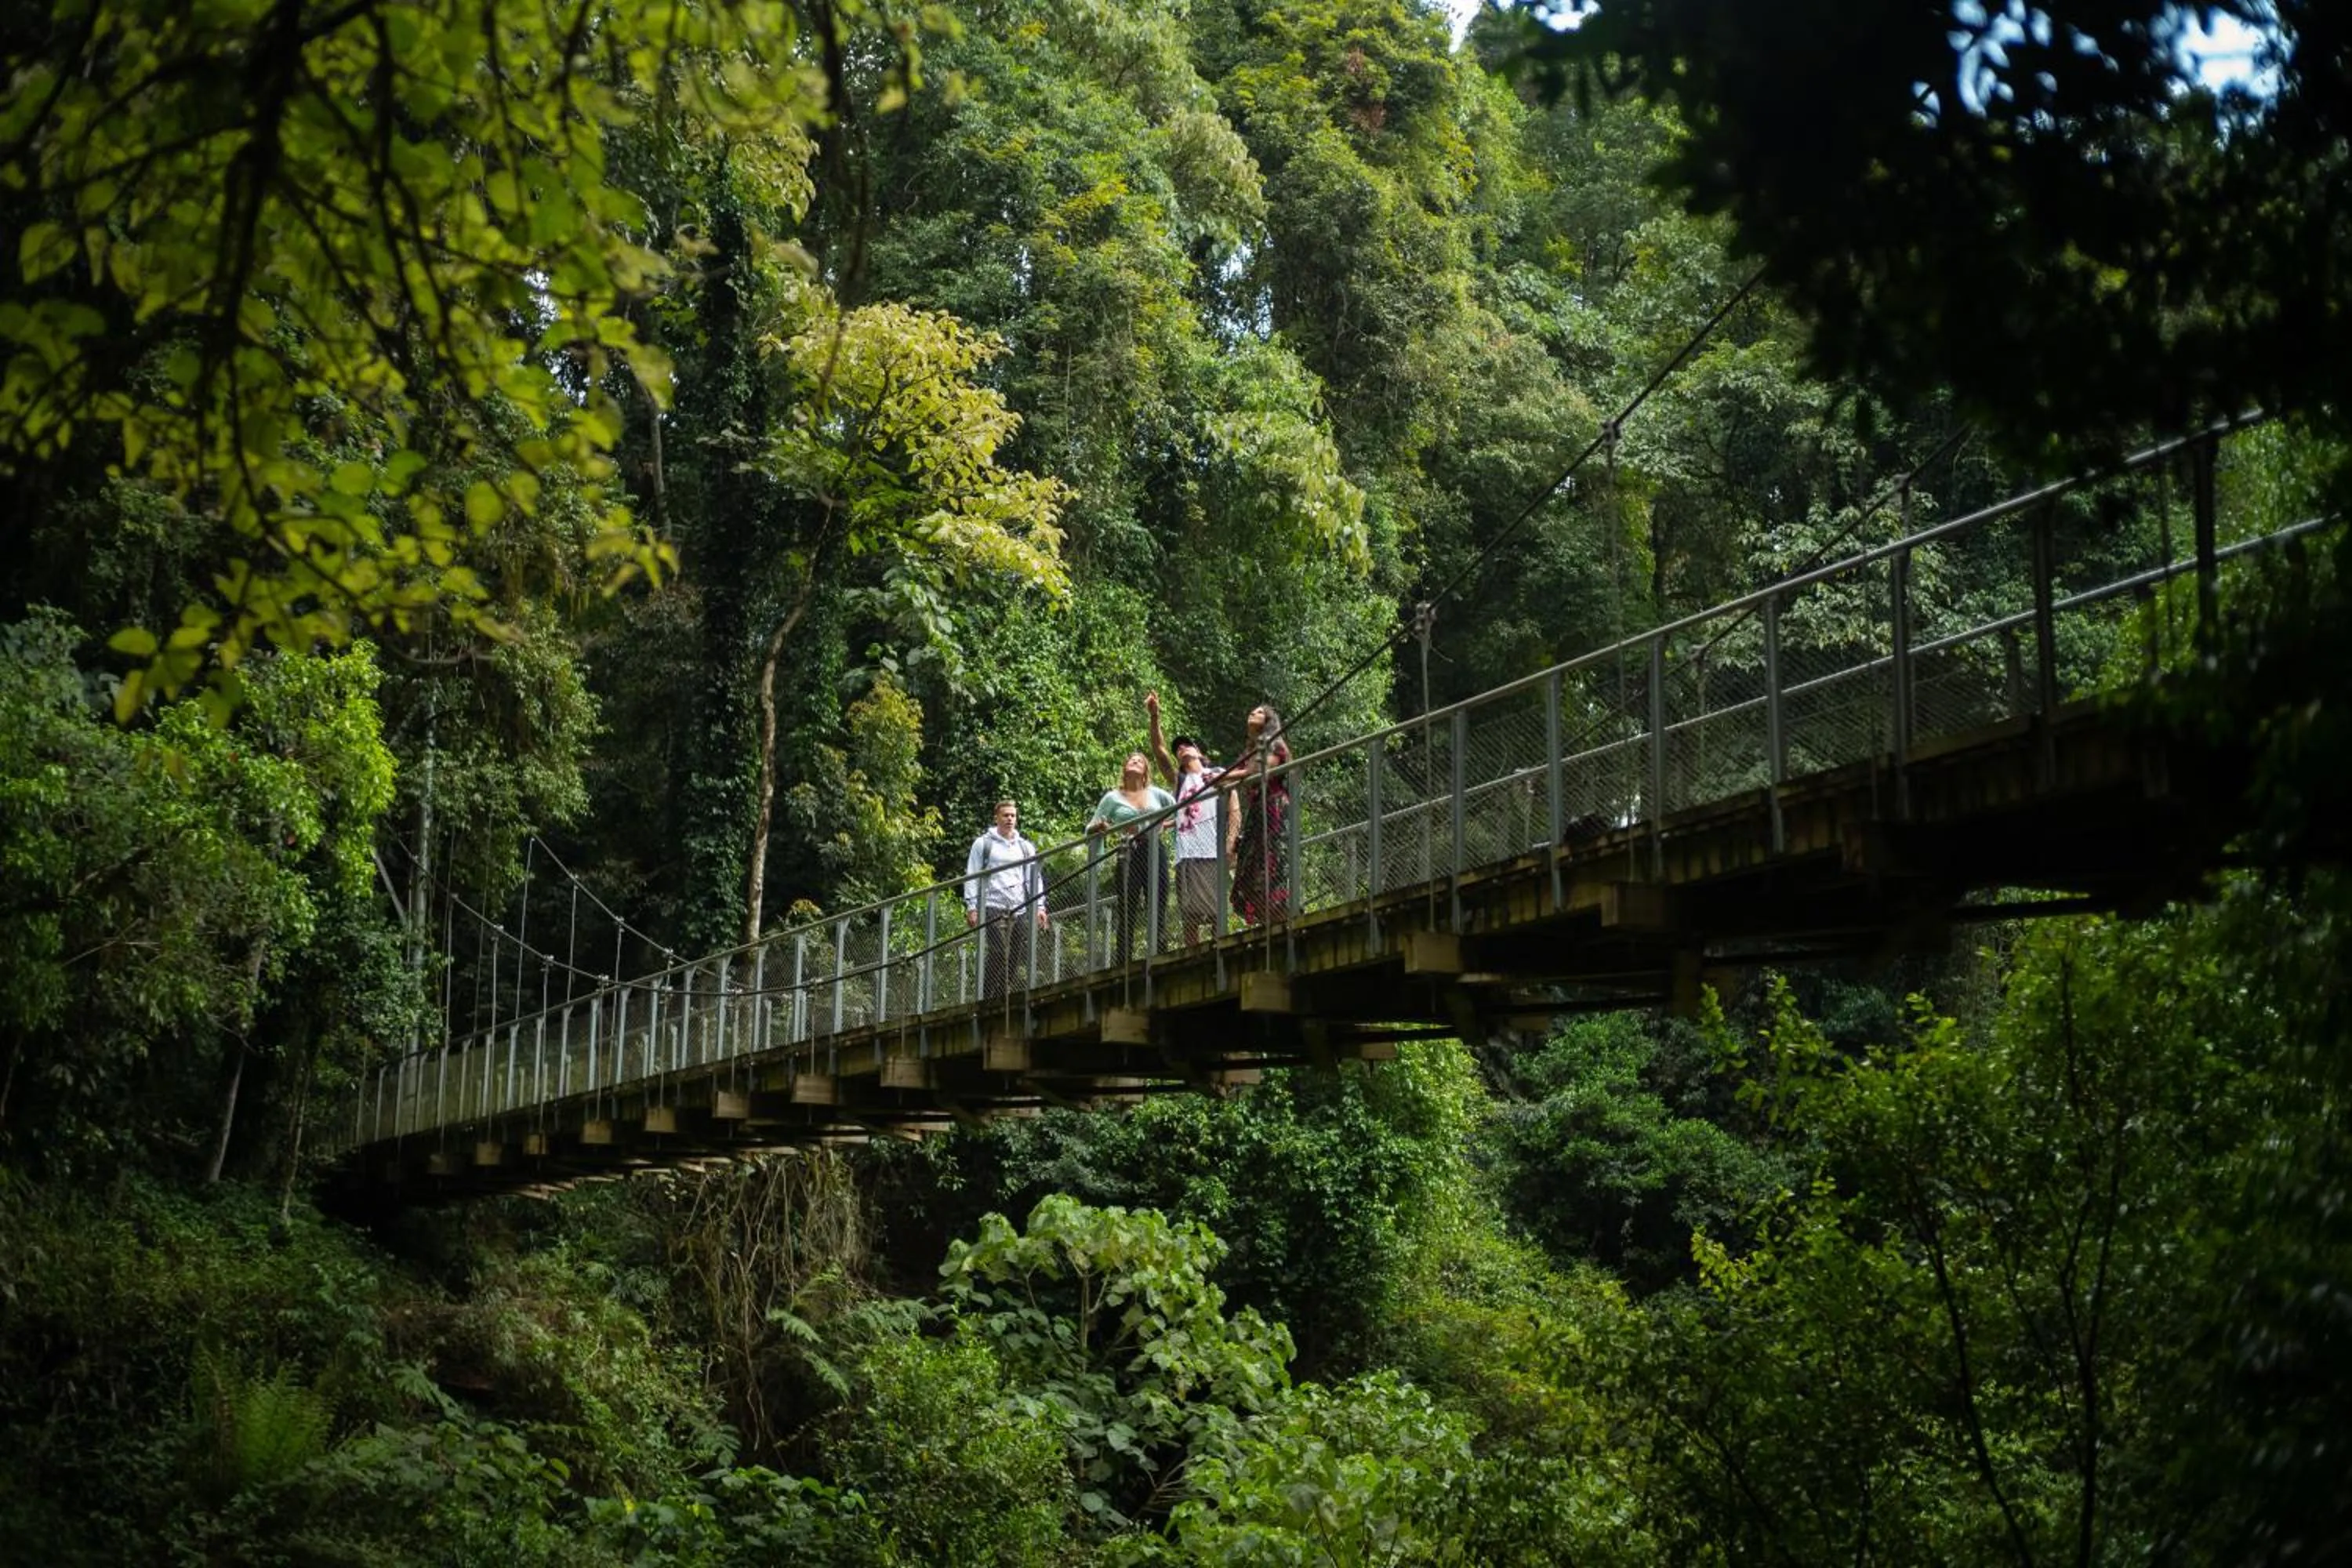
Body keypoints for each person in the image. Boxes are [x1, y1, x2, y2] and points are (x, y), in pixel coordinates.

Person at [1145, 690, 1225, 945]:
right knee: (1189, 915)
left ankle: (1218, 952)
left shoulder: (1217, 773)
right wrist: (1155, 716)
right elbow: (1159, 751)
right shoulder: (1179, 780)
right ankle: (1193, 958)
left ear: (1199, 751)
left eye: (1186, 745)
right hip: (1187, 853)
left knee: (1216, 912)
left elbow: (1235, 797)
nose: (1181, 749)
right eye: (1178, 748)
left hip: (1213, 850)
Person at [1087, 750, 1174, 963]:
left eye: (1140, 761)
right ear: (1125, 769)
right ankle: (1123, 963)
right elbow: (1090, 828)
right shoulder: (1112, 798)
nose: (1135, 762)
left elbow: (1181, 809)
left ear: (1145, 771)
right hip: (1129, 852)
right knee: (1128, 908)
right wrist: (1100, 826)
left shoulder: (1156, 793)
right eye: (1131, 760)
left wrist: (1163, 826)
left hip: (1155, 849)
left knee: (1158, 904)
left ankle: (1159, 956)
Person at [964, 800, 1047, 998]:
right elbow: (972, 874)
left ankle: (1002, 994)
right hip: (991, 905)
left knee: (1016, 953)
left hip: (1018, 907)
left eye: (1013, 815)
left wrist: (1040, 906)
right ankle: (986, 995)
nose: (1010, 819)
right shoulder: (984, 844)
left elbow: (1033, 878)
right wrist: (972, 907)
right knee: (999, 950)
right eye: (1005, 815)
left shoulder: (1025, 847)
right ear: (997, 818)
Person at [1226, 703, 1292, 926]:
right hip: (1257, 811)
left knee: (1271, 863)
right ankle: (1267, 921)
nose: (1252, 713)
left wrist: (1223, 778)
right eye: (1251, 710)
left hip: (1274, 809)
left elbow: (1259, 771)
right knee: (1251, 867)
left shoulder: (1275, 744)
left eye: (1259, 712)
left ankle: (1278, 918)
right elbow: (1240, 774)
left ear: (1268, 720)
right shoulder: (1249, 752)